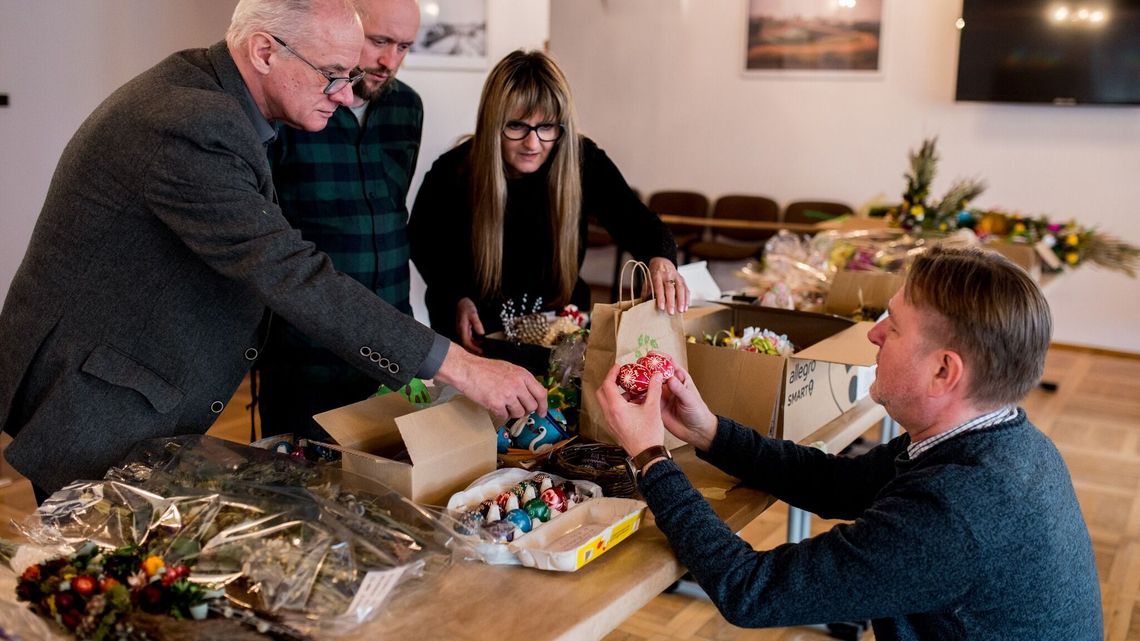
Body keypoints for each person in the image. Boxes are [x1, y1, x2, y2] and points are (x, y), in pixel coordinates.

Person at [0, 0, 546, 502]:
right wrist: (461, 368)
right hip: (99, 393)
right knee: (96, 577)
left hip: (132, 377)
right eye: (332, 75)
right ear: (264, 50)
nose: (345, 93)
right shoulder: (190, 122)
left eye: (351, 75)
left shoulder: (212, 95)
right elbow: (290, 272)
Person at [595, 246, 1102, 639]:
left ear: (944, 371)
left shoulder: (955, 511)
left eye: (895, 327)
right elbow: (837, 483)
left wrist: (650, 456)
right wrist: (708, 431)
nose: (874, 334)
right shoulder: (996, 438)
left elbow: (750, 591)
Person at [408, 49, 688, 354]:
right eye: (516, 126)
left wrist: (660, 259)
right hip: (479, 336)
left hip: (560, 332)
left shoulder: (583, 160)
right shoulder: (453, 172)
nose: (532, 143)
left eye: (546, 127)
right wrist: (454, 297)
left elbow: (639, 223)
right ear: (492, 124)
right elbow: (424, 245)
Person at [260, 0, 425, 442]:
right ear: (346, 28)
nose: (390, 60)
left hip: (392, 336)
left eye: (405, 46)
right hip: (307, 348)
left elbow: (393, 209)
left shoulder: (407, 107)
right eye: (379, 41)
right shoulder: (291, 106)